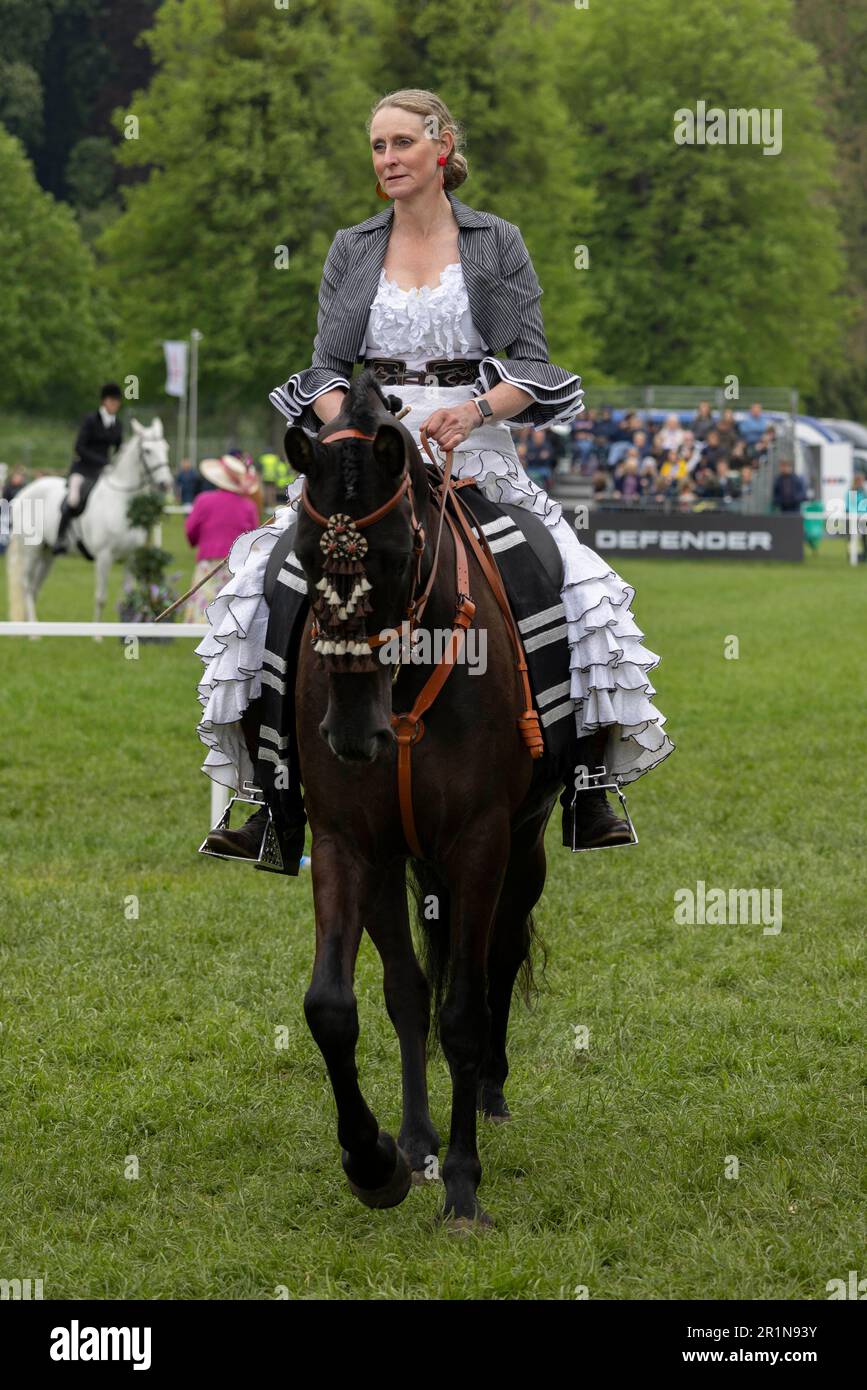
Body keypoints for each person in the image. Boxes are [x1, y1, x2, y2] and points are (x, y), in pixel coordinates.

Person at [195, 88, 674, 860]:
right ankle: (269, 795)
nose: (387, 160)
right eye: (377, 147)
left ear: (440, 147)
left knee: (574, 585)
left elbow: (533, 364)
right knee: (267, 585)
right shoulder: (351, 245)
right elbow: (325, 366)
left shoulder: (496, 240)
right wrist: (346, 429)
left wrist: (477, 409)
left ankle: (586, 782)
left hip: (471, 448)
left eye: (401, 145)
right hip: (369, 454)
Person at [183, 454, 260, 622]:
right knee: (233, 620)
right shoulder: (249, 507)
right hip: (238, 568)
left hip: (208, 567)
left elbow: (190, 532)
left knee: (204, 618)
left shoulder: (203, 500)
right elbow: (254, 540)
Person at [52, 384, 123, 554]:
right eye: (112, 401)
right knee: (74, 499)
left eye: (117, 401)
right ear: (104, 401)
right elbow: (79, 447)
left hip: (103, 472)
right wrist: (102, 461)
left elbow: (119, 447)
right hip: (83, 469)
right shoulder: (91, 420)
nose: (115, 405)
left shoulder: (117, 424)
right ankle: (60, 538)